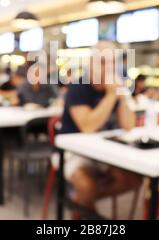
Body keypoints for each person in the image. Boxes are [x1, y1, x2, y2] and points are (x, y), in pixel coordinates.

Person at [59, 41, 142, 216]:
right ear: (91, 64)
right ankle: (86, 207)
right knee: (86, 185)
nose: (108, 68)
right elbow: (88, 127)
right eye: (103, 62)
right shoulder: (78, 87)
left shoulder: (116, 88)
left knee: (133, 180)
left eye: (113, 62)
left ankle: (82, 203)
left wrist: (121, 95)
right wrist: (111, 95)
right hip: (73, 152)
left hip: (105, 151)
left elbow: (129, 125)